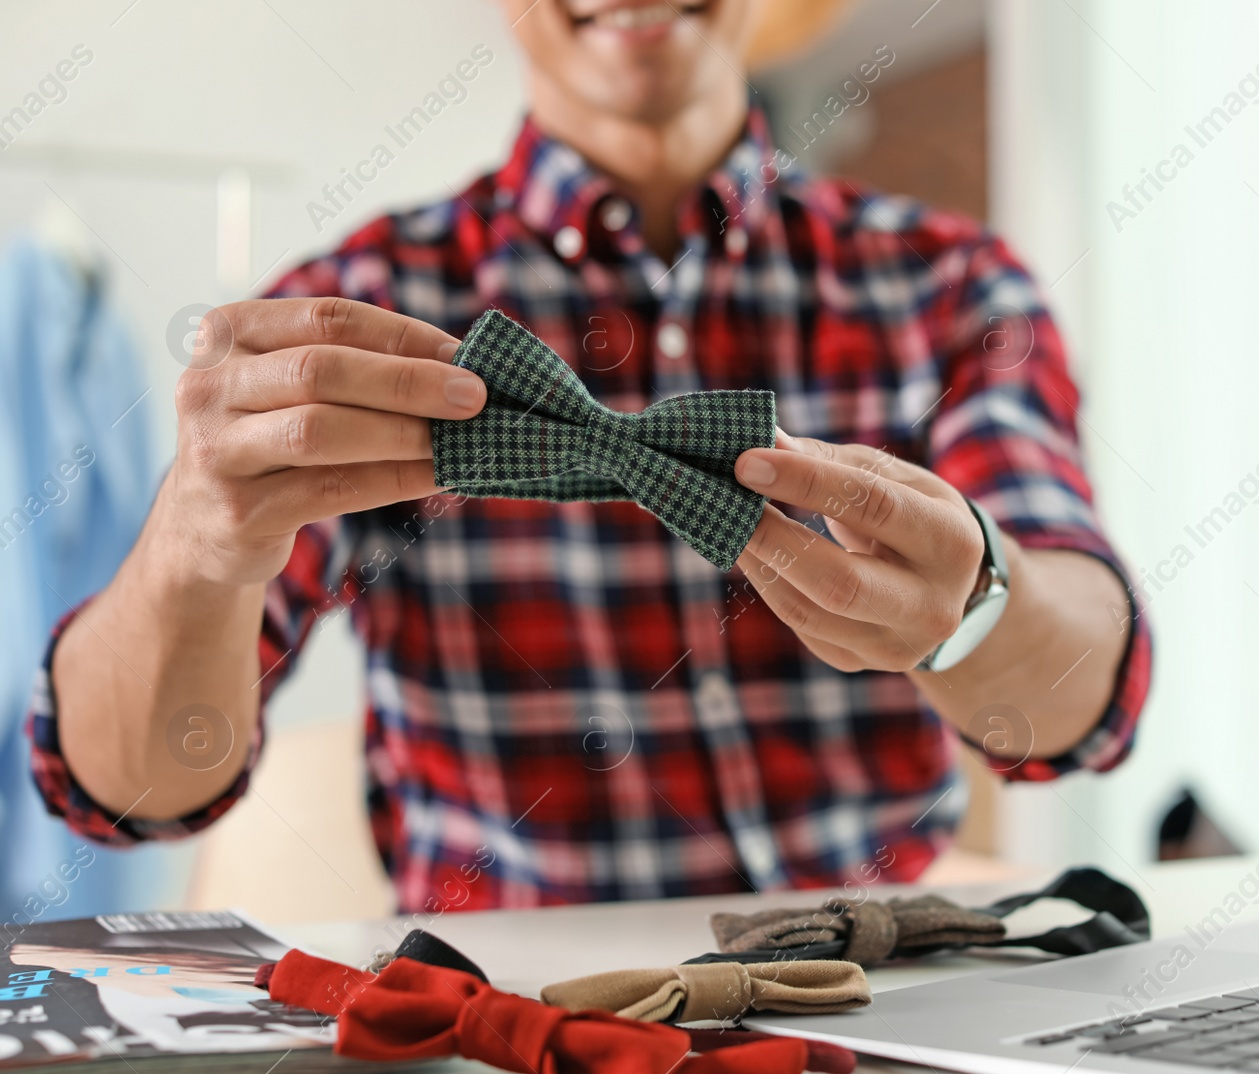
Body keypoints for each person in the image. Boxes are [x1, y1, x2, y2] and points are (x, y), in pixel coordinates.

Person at [30, 0, 1151, 909]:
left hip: (883, 1001)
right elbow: (131, 798)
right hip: (514, 1028)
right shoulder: (362, 319)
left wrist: (978, 607)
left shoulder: (955, 290)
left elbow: (1084, 707)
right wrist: (193, 552)